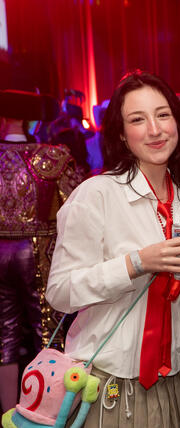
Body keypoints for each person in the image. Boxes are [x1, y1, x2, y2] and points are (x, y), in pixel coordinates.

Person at [46, 70, 180, 427]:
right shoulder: (97, 195)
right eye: (138, 119)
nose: (155, 129)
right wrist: (136, 263)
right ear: (121, 132)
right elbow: (59, 292)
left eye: (163, 114)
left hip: (173, 376)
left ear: (178, 122)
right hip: (107, 381)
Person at [0, 90, 81, 414]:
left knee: (4, 337)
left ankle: (7, 412)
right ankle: (49, 412)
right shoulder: (52, 156)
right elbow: (75, 203)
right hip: (37, 252)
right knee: (46, 331)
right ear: (30, 119)